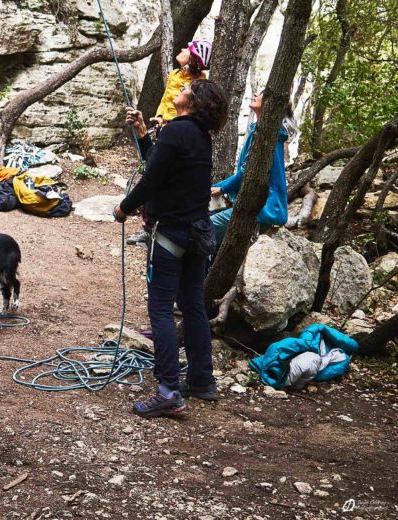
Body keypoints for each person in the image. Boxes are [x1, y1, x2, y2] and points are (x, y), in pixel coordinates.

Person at [113, 79, 228, 418]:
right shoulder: (197, 135)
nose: (180, 90)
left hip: (172, 234)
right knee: (192, 305)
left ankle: (167, 391)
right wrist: (143, 133)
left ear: (193, 100)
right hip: (195, 233)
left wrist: (124, 207)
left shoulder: (179, 131)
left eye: (187, 89)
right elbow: (159, 164)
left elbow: (151, 180)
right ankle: (201, 379)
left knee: (161, 309)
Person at [127, 40, 213, 247]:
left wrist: (169, 123)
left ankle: (153, 228)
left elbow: (187, 109)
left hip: (177, 132)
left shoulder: (197, 85)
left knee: (158, 177)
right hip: (165, 127)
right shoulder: (176, 74)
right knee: (153, 169)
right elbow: (167, 100)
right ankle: (148, 226)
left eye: (187, 49)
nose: (182, 49)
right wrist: (159, 117)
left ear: (192, 59)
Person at [210, 91, 296, 247]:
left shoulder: (269, 136)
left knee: (207, 228)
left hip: (262, 210)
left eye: (263, 93)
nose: (256, 94)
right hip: (258, 208)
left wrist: (222, 188)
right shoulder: (260, 131)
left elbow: (248, 170)